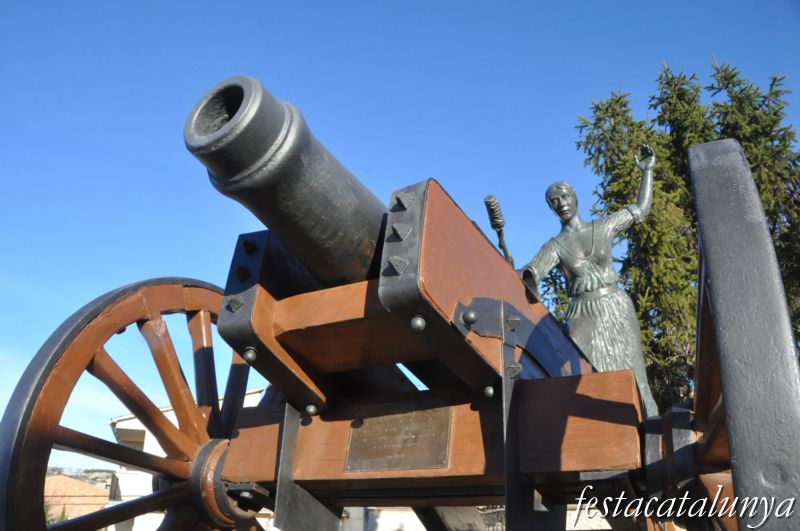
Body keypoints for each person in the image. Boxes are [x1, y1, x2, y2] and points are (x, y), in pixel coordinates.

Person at [520, 145, 659, 416]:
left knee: (634, 374)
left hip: (615, 306)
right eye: (554, 202)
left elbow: (641, 210)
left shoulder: (603, 227)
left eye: (563, 196)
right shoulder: (555, 246)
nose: (560, 203)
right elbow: (532, 272)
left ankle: (649, 429)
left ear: (574, 197)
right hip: (582, 313)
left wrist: (647, 172)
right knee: (587, 376)